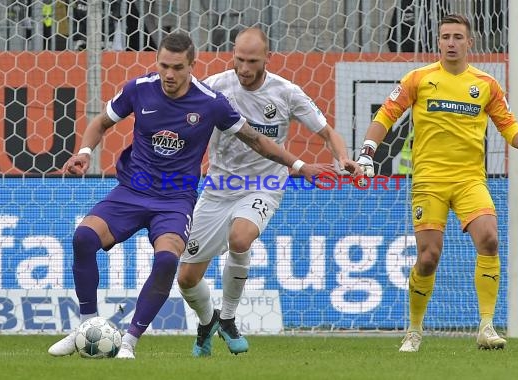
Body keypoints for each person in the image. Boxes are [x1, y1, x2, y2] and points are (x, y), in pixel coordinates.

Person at [47, 31, 330, 359]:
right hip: (132, 190)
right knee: (83, 237)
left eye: (178, 67)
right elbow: (100, 123)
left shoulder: (210, 102)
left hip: (174, 201)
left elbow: (255, 139)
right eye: (164, 65)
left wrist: (298, 164)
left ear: (192, 66)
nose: (169, 74)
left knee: (168, 260)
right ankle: (86, 325)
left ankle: (129, 342)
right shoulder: (139, 89)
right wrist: (84, 151)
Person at [357, 14, 518, 353]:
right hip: (429, 181)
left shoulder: (485, 84)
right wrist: (368, 153)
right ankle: (414, 330)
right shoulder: (418, 78)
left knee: (489, 239)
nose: (452, 42)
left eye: (458, 36)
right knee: (428, 257)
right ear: (438, 42)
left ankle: (486, 326)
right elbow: (385, 114)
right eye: (446, 37)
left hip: (470, 179)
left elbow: (507, 123)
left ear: (470, 43)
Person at [176, 27, 362, 357]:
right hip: (220, 186)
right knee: (187, 278)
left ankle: (229, 318)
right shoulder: (216, 87)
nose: (244, 69)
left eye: (252, 61)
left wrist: (342, 157)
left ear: (268, 58)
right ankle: (209, 321)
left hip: (266, 184)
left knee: (241, 238)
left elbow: (327, 131)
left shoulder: (286, 93)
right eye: (238, 59)